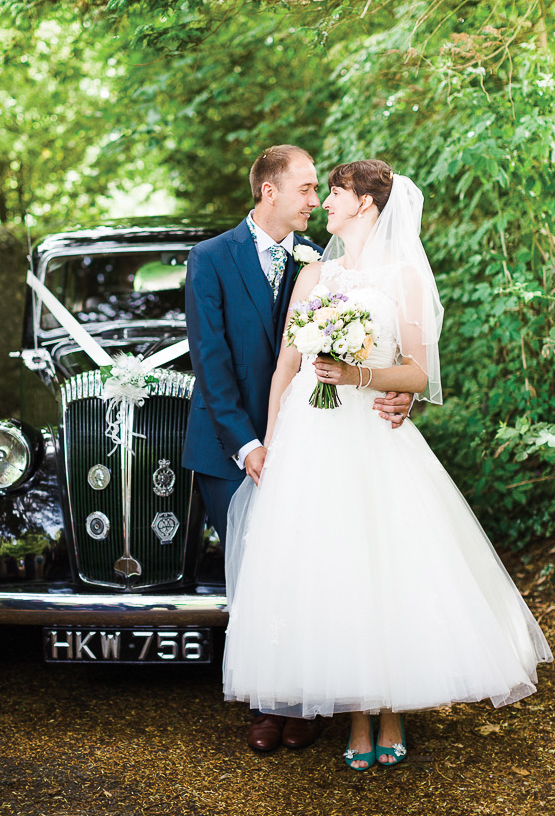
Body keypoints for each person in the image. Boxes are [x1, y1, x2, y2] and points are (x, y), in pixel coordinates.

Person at [222, 159, 552, 769]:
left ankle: (394, 705)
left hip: (372, 431)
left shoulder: (404, 276)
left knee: (384, 563)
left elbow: (419, 374)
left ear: (367, 204)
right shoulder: (314, 273)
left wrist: (360, 375)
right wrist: (270, 445)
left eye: (337, 193)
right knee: (332, 569)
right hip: (312, 436)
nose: (326, 202)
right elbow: (285, 368)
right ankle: (356, 714)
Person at [183, 146, 414, 751]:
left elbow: (381, 352)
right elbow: (210, 361)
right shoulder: (211, 258)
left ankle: (309, 702)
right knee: (258, 577)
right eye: (307, 190)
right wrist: (253, 444)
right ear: (270, 193)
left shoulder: (317, 261)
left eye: (322, 191)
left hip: (317, 434)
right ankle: (267, 705)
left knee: (311, 567)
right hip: (233, 442)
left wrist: (396, 392)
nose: (315, 200)